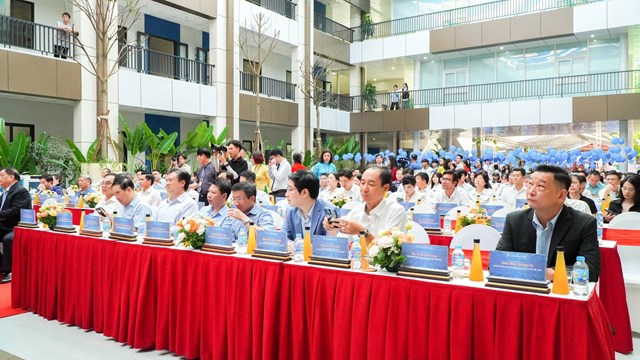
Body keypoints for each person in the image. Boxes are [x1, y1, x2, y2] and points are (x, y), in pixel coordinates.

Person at [496, 165, 600, 282]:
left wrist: (552, 274)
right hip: (523, 290)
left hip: (561, 293)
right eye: (530, 184)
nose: (531, 192)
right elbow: (497, 264)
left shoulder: (583, 223)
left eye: (540, 186)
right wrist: (534, 272)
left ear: (561, 195)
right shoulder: (514, 220)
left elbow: (591, 270)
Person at [323, 165, 407, 246]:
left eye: (371, 184)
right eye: (362, 183)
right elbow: (341, 246)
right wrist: (331, 229)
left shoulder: (396, 211)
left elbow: (387, 252)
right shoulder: (356, 211)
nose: (364, 189)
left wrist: (361, 231)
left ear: (385, 188)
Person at [283, 170, 336, 241]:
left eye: (290, 189)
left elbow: (331, 244)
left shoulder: (330, 212)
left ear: (304, 192)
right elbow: (283, 239)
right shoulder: (290, 211)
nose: (286, 194)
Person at [0, 168, 32, 283]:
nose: (0, 178)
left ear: (11, 177)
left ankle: (9, 271)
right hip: (5, 225)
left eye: (1, 175)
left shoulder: (20, 191)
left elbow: (16, 211)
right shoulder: (4, 192)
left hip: (19, 225)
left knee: (8, 239)